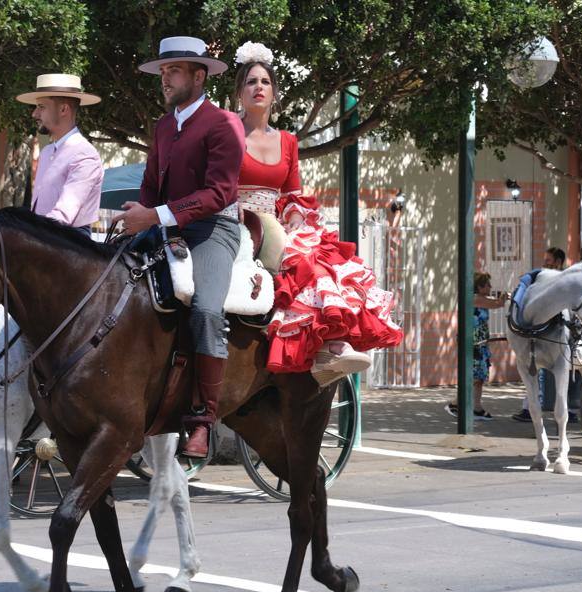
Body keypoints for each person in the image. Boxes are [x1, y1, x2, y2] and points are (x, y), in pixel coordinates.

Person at [230, 42, 402, 386]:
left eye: (265, 82)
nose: (259, 87)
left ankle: (330, 344)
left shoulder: (288, 141)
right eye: (251, 82)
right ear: (239, 92)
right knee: (301, 258)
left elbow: (293, 193)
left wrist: (294, 217)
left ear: (275, 93)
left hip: (273, 223)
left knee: (323, 256)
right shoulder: (228, 132)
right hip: (234, 220)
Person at [114, 36, 244, 459]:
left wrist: (154, 216)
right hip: (166, 227)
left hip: (213, 230)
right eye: (163, 72)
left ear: (198, 75)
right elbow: (152, 187)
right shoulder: (164, 126)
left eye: (173, 71)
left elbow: (220, 193)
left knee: (205, 309)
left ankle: (203, 420)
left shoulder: (223, 123)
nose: (164, 79)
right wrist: (140, 213)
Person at [17, 73, 104, 239]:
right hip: (43, 239)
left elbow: (63, 215)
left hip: (71, 247)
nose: (34, 114)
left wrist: (25, 234)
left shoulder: (84, 154)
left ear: (64, 109)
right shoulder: (47, 152)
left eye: (41, 107)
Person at [512, 245, 570, 422]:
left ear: (558, 262)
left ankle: (564, 410)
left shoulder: (564, 280)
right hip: (540, 335)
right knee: (533, 370)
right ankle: (529, 408)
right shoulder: (543, 280)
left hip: (559, 336)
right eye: (545, 261)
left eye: (548, 261)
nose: (545, 264)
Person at [447, 272, 507, 420]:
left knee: (477, 377)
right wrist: (505, 296)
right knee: (474, 377)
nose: (490, 287)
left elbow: (493, 301)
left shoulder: (480, 299)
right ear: (479, 287)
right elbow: (498, 304)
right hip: (471, 344)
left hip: (479, 344)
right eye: (487, 285)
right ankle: (465, 406)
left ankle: (469, 406)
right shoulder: (475, 299)